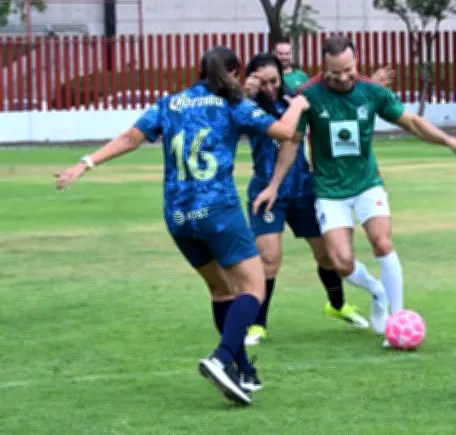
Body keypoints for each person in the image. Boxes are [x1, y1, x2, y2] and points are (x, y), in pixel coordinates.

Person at [54, 46, 309, 406]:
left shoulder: (168, 104)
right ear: (234, 74)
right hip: (217, 209)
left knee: (222, 292)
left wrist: (84, 163)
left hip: (177, 217)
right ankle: (221, 359)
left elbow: (130, 137)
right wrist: (298, 105)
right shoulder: (230, 104)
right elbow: (284, 131)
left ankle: (240, 372)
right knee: (253, 288)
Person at [252, 35, 456, 344]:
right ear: (324, 66)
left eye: (348, 69)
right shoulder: (309, 95)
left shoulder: (372, 92)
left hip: (366, 184)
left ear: (356, 61)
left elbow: (411, 121)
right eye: (335, 72)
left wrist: (449, 141)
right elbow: (291, 146)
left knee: (382, 242)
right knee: (341, 262)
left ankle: (396, 320)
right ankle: (377, 291)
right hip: (330, 191)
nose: (343, 77)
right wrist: (274, 186)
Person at [241, 53, 369, 346]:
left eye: (275, 80)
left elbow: (336, 102)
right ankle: (257, 325)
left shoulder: (296, 101)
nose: (271, 87)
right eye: (264, 82)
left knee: (327, 256)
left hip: (305, 189)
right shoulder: (247, 109)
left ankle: (337, 306)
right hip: (267, 193)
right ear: (251, 81)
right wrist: (243, 95)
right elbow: (228, 112)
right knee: (269, 260)